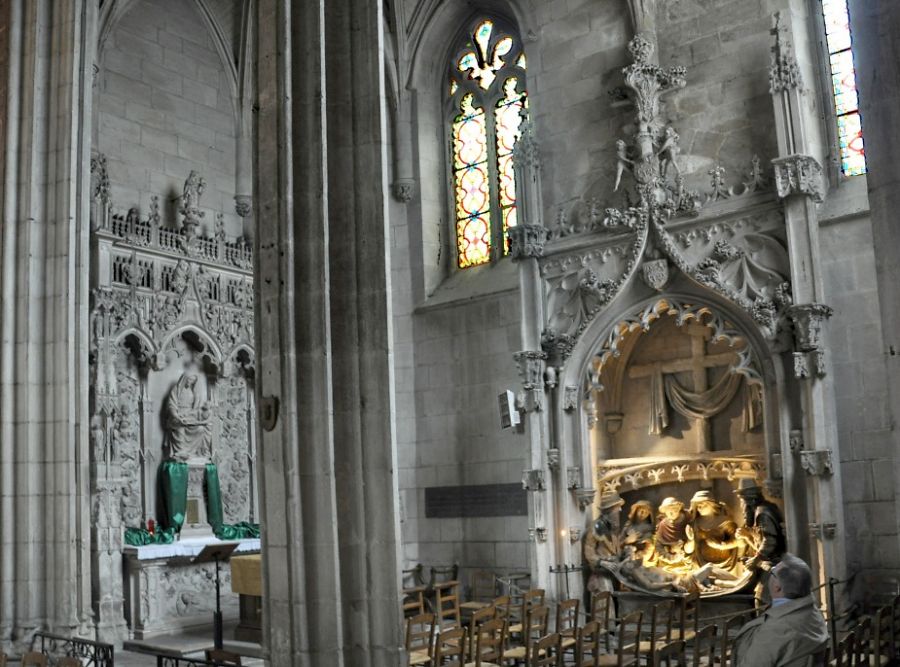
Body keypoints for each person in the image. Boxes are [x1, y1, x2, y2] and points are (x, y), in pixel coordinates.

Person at [731, 553, 828, 666]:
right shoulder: (813, 612)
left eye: (773, 572)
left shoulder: (775, 631)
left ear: (777, 587)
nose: (770, 574)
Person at [735, 479, 786, 605]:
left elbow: (770, 541)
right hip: (770, 564)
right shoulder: (763, 510)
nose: (742, 509)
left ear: (750, 501)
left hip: (774, 566)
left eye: (742, 503)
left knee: (763, 599)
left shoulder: (763, 513)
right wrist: (748, 538)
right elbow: (762, 541)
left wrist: (756, 559)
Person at [583, 490, 625, 607]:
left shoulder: (612, 527)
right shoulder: (595, 527)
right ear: (610, 509)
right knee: (604, 607)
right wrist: (602, 562)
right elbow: (589, 552)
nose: (620, 510)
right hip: (601, 576)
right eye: (617, 507)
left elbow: (615, 549)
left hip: (612, 574)